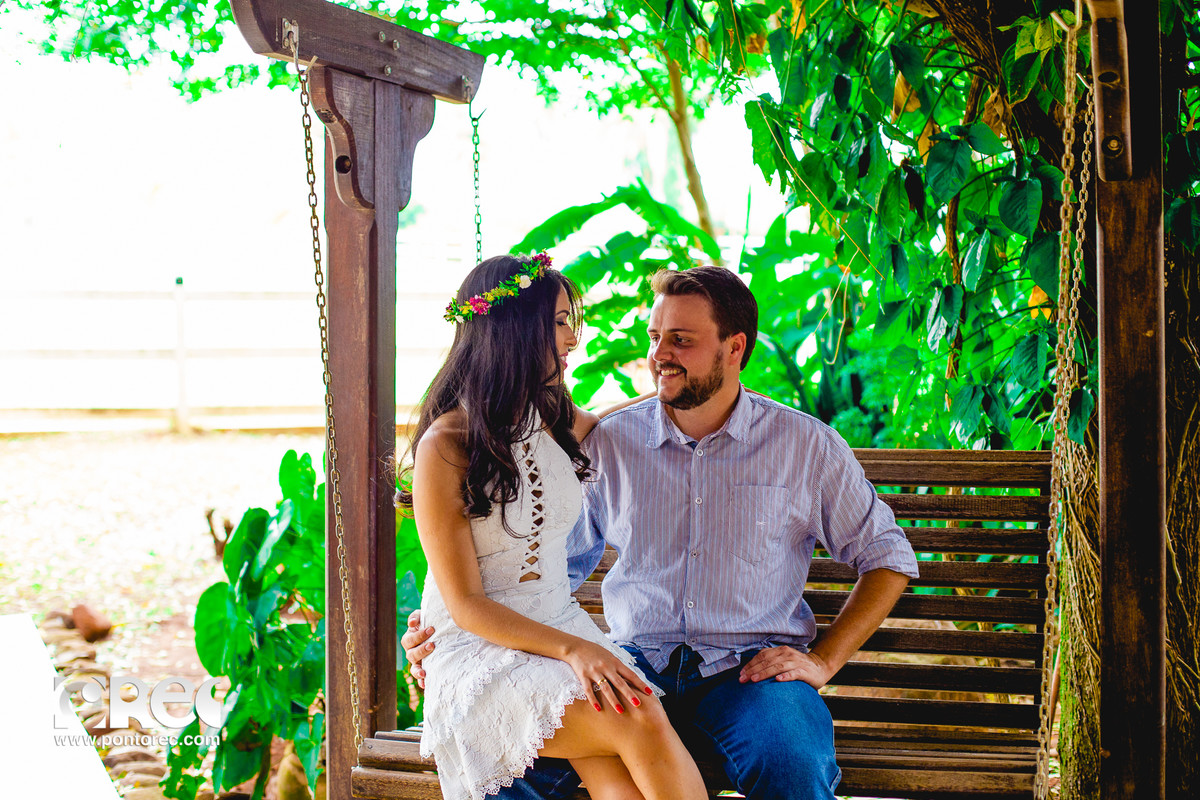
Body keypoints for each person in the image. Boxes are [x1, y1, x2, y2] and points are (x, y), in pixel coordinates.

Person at [405, 265, 921, 800]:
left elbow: (888, 557)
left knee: (791, 762)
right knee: (513, 768)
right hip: (635, 656)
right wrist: (443, 629)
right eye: (655, 337)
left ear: (734, 348)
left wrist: (823, 660)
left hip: (753, 674)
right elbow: (535, 558)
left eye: (681, 340)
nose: (659, 355)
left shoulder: (805, 446)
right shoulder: (607, 442)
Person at [396, 253, 707, 800]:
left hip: (559, 629)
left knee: (619, 774)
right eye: (560, 322)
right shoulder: (445, 446)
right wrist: (574, 651)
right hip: (480, 651)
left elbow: (616, 422)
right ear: (516, 330)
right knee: (638, 715)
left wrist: (681, 382)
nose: (572, 338)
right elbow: (466, 605)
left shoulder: (549, 413)